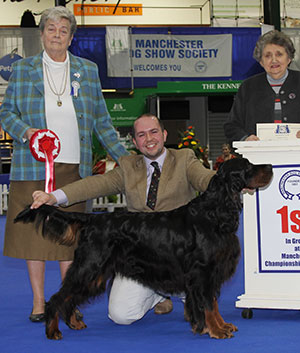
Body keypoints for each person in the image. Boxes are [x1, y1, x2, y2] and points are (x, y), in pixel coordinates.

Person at [0, 6, 128, 323]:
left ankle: (69, 300)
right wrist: (26, 132)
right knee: (33, 237)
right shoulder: (24, 70)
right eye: (51, 29)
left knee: (71, 239)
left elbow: (101, 120)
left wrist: (126, 158)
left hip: (74, 168)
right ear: (42, 34)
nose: (57, 34)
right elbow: (6, 114)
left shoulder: (87, 70)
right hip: (32, 166)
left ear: (71, 37)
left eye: (63, 30)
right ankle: (40, 302)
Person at [31, 113, 216, 326]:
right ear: (135, 142)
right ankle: (159, 294)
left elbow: (203, 178)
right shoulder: (128, 166)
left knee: (201, 290)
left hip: (180, 254)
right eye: (142, 135)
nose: (149, 139)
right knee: (121, 315)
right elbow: (95, 184)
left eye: (154, 132)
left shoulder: (184, 159)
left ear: (164, 135)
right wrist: (54, 196)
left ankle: (181, 294)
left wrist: (226, 181)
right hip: (139, 255)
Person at [224, 29, 300, 143]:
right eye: (268, 56)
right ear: (261, 61)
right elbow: (231, 126)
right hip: (258, 157)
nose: (274, 60)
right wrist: (245, 138)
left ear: (289, 58)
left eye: (279, 54)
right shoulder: (248, 87)